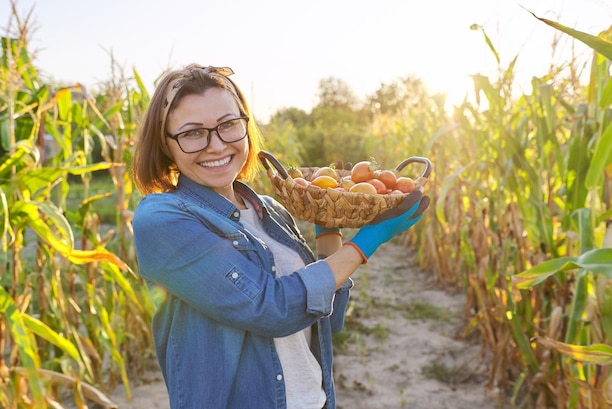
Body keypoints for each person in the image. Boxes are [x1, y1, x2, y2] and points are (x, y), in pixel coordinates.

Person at [131, 64, 430, 409]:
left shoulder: (269, 210)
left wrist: (328, 227)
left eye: (228, 125)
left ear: (245, 128)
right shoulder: (162, 219)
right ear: (166, 144)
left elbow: (327, 319)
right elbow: (269, 309)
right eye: (193, 133)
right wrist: (365, 243)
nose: (216, 145)